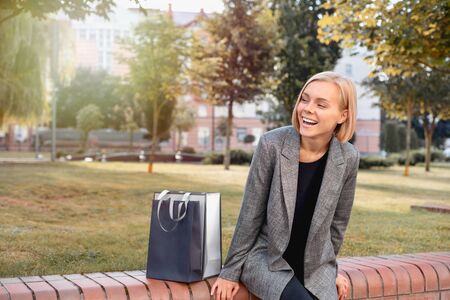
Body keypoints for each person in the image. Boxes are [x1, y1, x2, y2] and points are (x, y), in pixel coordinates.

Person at [211, 71, 360, 300]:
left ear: (343, 115)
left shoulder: (348, 157)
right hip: (267, 260)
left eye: (321, 104)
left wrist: (331, 270)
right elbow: (250, 215)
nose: (308, 109)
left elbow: (337, 225)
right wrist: (229, 272)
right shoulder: (272, 145)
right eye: (305, 99)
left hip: (315, 267)